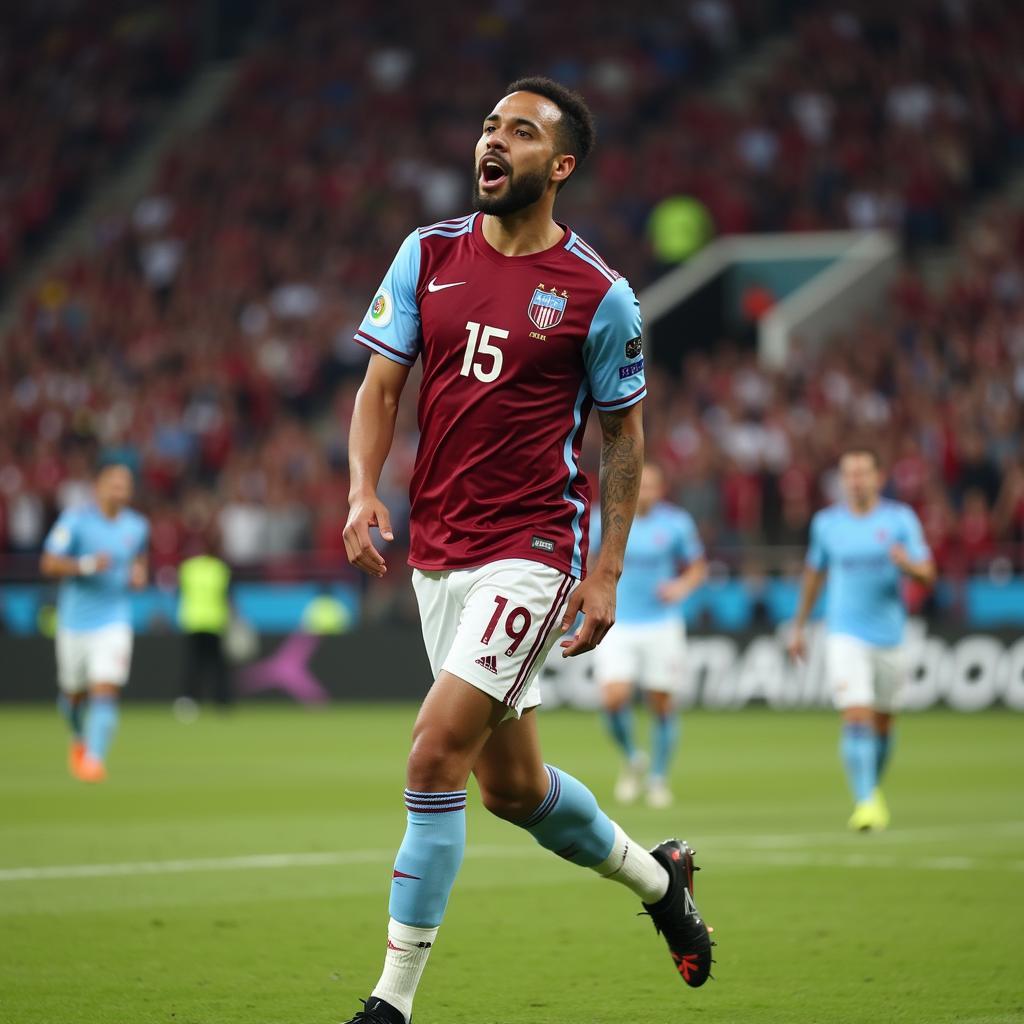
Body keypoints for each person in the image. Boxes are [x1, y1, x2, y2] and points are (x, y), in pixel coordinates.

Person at [342, 77, 714, 1024]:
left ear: (561, 165)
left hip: (533, 549)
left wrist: (606, 567)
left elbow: (623, 439)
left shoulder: (600, 294)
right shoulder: (426, 254)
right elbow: (382, 388)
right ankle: (660, 881)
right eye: (487, 126)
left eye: (519, 131)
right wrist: (359, 490)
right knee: (513, 790)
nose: (492, 142)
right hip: (439, 553)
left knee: (433, 758)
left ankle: (391, 1003)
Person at [788, 448, 935, 831]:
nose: (856, 480)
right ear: (842, 480)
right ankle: (866, 801)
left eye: (863, 473)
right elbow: (814, 575)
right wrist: (799, 625)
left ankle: (871, 789)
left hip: (889, 637)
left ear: (878, 477)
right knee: (856, 715)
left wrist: (909, 566)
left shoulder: (900, 520)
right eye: (849, 474)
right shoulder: (827, 524)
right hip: (844, 634)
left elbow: (928, 575)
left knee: (884, 724)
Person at [592, 462, 707, 808]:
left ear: (661, 489)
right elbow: (590, 560)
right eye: (639, 485)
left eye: (651, 486)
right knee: (612, 699)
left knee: (661, 703)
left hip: (662, 624)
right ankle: (632, 757)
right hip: (618, 621)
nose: (645, 492)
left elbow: (698, 567)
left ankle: (658, 778)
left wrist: (680, 586)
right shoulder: (606, 518)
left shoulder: (676, 523)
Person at [40, 463, 149, 782]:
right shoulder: (75, 521)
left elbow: (139, 559)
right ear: (97, 487)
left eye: (125, 484)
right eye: (113, 483)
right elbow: (48, 563)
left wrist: (139, 574)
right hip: (74, 622)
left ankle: (94, 760)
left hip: (114, 620)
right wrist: (87, 565)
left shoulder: (137, 526)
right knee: (73, 695)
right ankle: (78, 737)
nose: (120, 490)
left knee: (105, 687)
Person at [176, 535, 233, 716]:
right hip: (214, 621)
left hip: (193, 621)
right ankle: (221, 701)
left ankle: (190, 700)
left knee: (194, 663)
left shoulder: (187, 569)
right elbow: (227, 595)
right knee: (216, 664)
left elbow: (179, 593)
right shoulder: (219, 569)